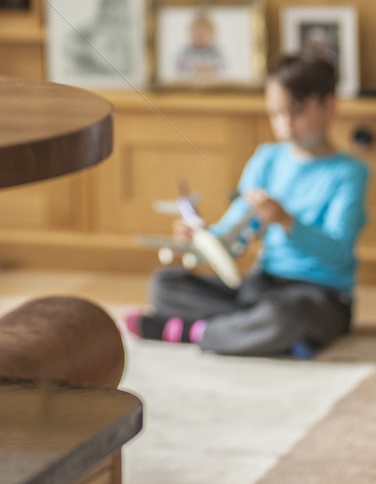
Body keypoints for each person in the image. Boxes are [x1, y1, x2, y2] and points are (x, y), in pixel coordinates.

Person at [124, 49, 369, 356]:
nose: (286, 124)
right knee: (165, 285)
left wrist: (286, 220)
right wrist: (201, 240)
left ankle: (194, 331)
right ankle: (270, 338)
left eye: (297, 111)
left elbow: (339, 251)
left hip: (320, 296)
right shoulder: (266, 159)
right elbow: (232, 238)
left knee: (290, 314)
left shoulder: (349, 173)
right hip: (262, 287)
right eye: (277, 114)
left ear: (329, 106)